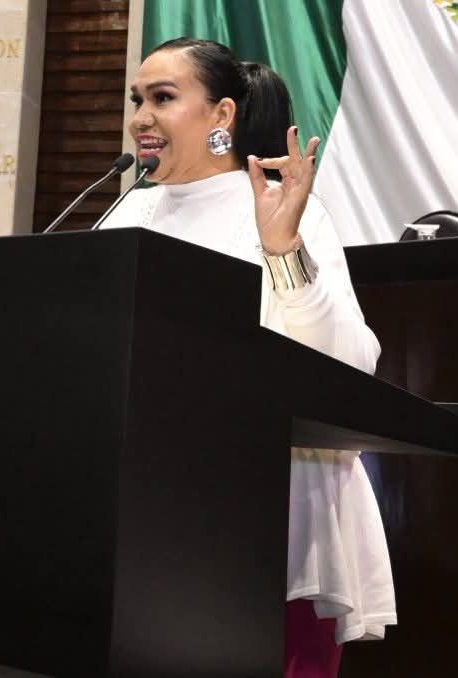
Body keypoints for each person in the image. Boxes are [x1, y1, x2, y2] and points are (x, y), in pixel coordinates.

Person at [105, 37, 389, 675]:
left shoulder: (279, 207)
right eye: (137, 100)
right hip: (144, 520)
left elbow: (349, 367)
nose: (141, 118)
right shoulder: (128, 210)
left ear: (222, 114)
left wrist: (282, 247)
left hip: (268, 526)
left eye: (163, 98)